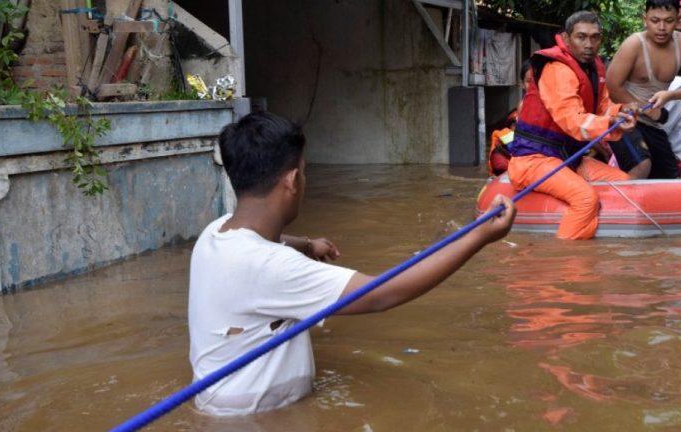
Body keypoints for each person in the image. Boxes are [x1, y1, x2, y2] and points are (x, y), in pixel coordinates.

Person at [188, 112, 516, 415]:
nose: (305, 181)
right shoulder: (273, 267)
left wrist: (307, 244)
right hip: (262, 424)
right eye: (304, 172)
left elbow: (265, 245)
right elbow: (381, 294)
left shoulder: (214, 234)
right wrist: (479, 238)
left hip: (224, 409)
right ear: (291, 181)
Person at [508, 11, 637, 240]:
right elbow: (572, 120)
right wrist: (610, 121)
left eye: (595, 37)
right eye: (581, 37)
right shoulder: (557, 69)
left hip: (566, 158)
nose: (589, 44)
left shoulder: (594, 68)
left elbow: (603, 108)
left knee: (624, 183)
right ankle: (567, 265)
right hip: (533, 160)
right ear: (566, 39)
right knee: (585, 199)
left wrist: (621, 111)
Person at [606, 0, 681, 179]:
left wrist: (671, 95)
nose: (661, 27)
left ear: (677, 20)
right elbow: (612, 86)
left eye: (669, 21)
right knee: (642, 165)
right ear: (644, 19)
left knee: (668, 177)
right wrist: (645, 109)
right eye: (655, 21)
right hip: (625, 118)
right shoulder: (633, 44)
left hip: (654, 121)